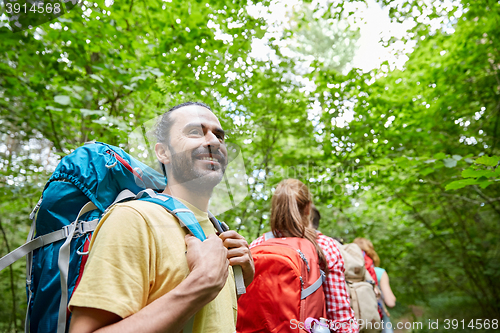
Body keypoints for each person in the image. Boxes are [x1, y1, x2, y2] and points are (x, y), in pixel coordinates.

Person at [68, 102, 255, 333]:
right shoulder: (134, 219)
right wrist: (201, 284)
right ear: (163, 152)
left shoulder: (220, 233)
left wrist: (240, 281)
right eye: (195, 132)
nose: (214, 141)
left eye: (219, 136)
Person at [250, 180, 358, 333]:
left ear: (274, 209)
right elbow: (340, 317)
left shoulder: (255, 246)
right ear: (308, 208)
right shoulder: (324, 246)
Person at [353, 238, 396, 333]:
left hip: (355, 320)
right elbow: (391, 302)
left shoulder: (350, 273)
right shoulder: (379, 272)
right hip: (376, 319)